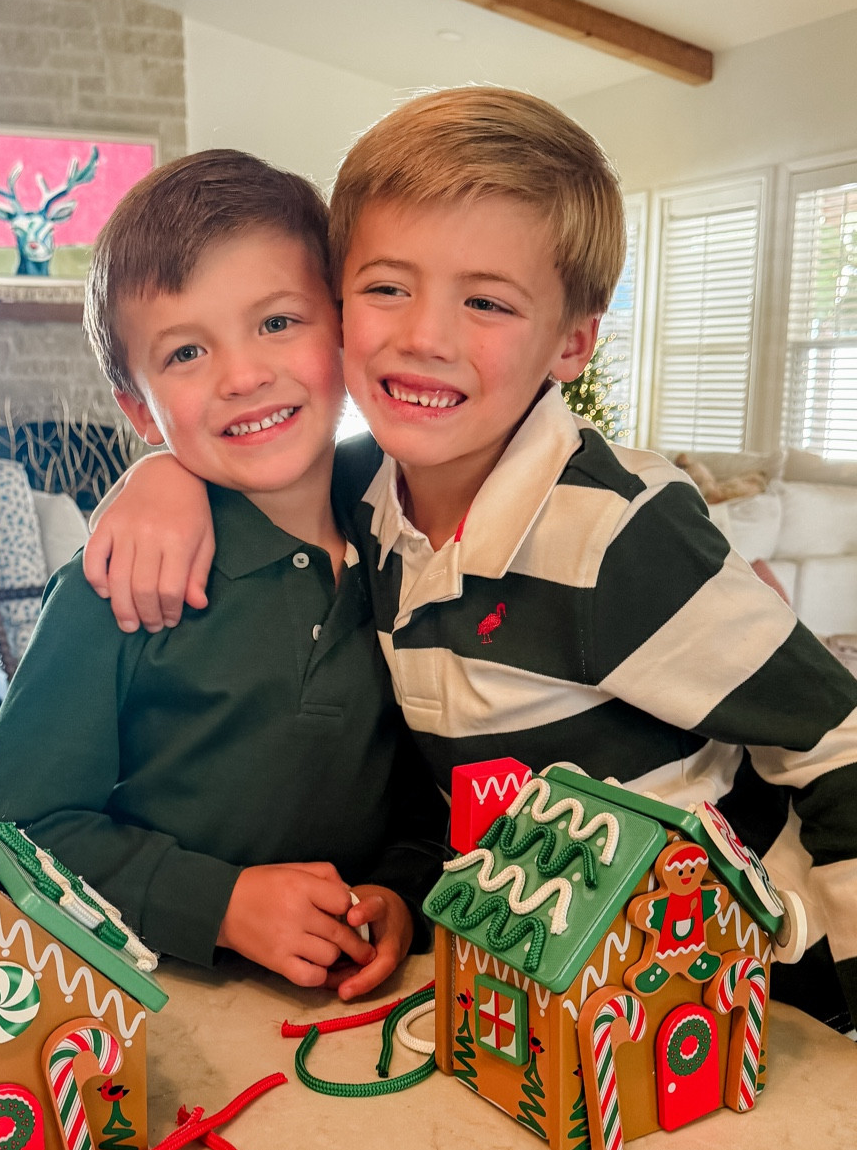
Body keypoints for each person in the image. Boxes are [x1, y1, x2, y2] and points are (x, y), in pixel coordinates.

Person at [84, 88, 857, 1032]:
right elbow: (246, 451)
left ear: (572, 341)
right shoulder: (360, 502)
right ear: (337, 304)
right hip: (542, 993)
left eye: (486, 301)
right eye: (386, 287)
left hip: (739, 992)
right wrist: (160, 470)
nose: (424, 336)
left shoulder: (618, 532)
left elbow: (837, 739)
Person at [0, 148, 446, 998]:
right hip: (157, 1020)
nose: (242, 375)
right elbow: (17, 830)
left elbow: (427, 794)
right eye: (186, 353)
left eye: (278, 323)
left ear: (343, 329)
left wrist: (400, 897)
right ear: (136, 405)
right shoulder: (116, 585)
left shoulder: (411, 534)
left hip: (361, 1025)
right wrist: (222, 904)